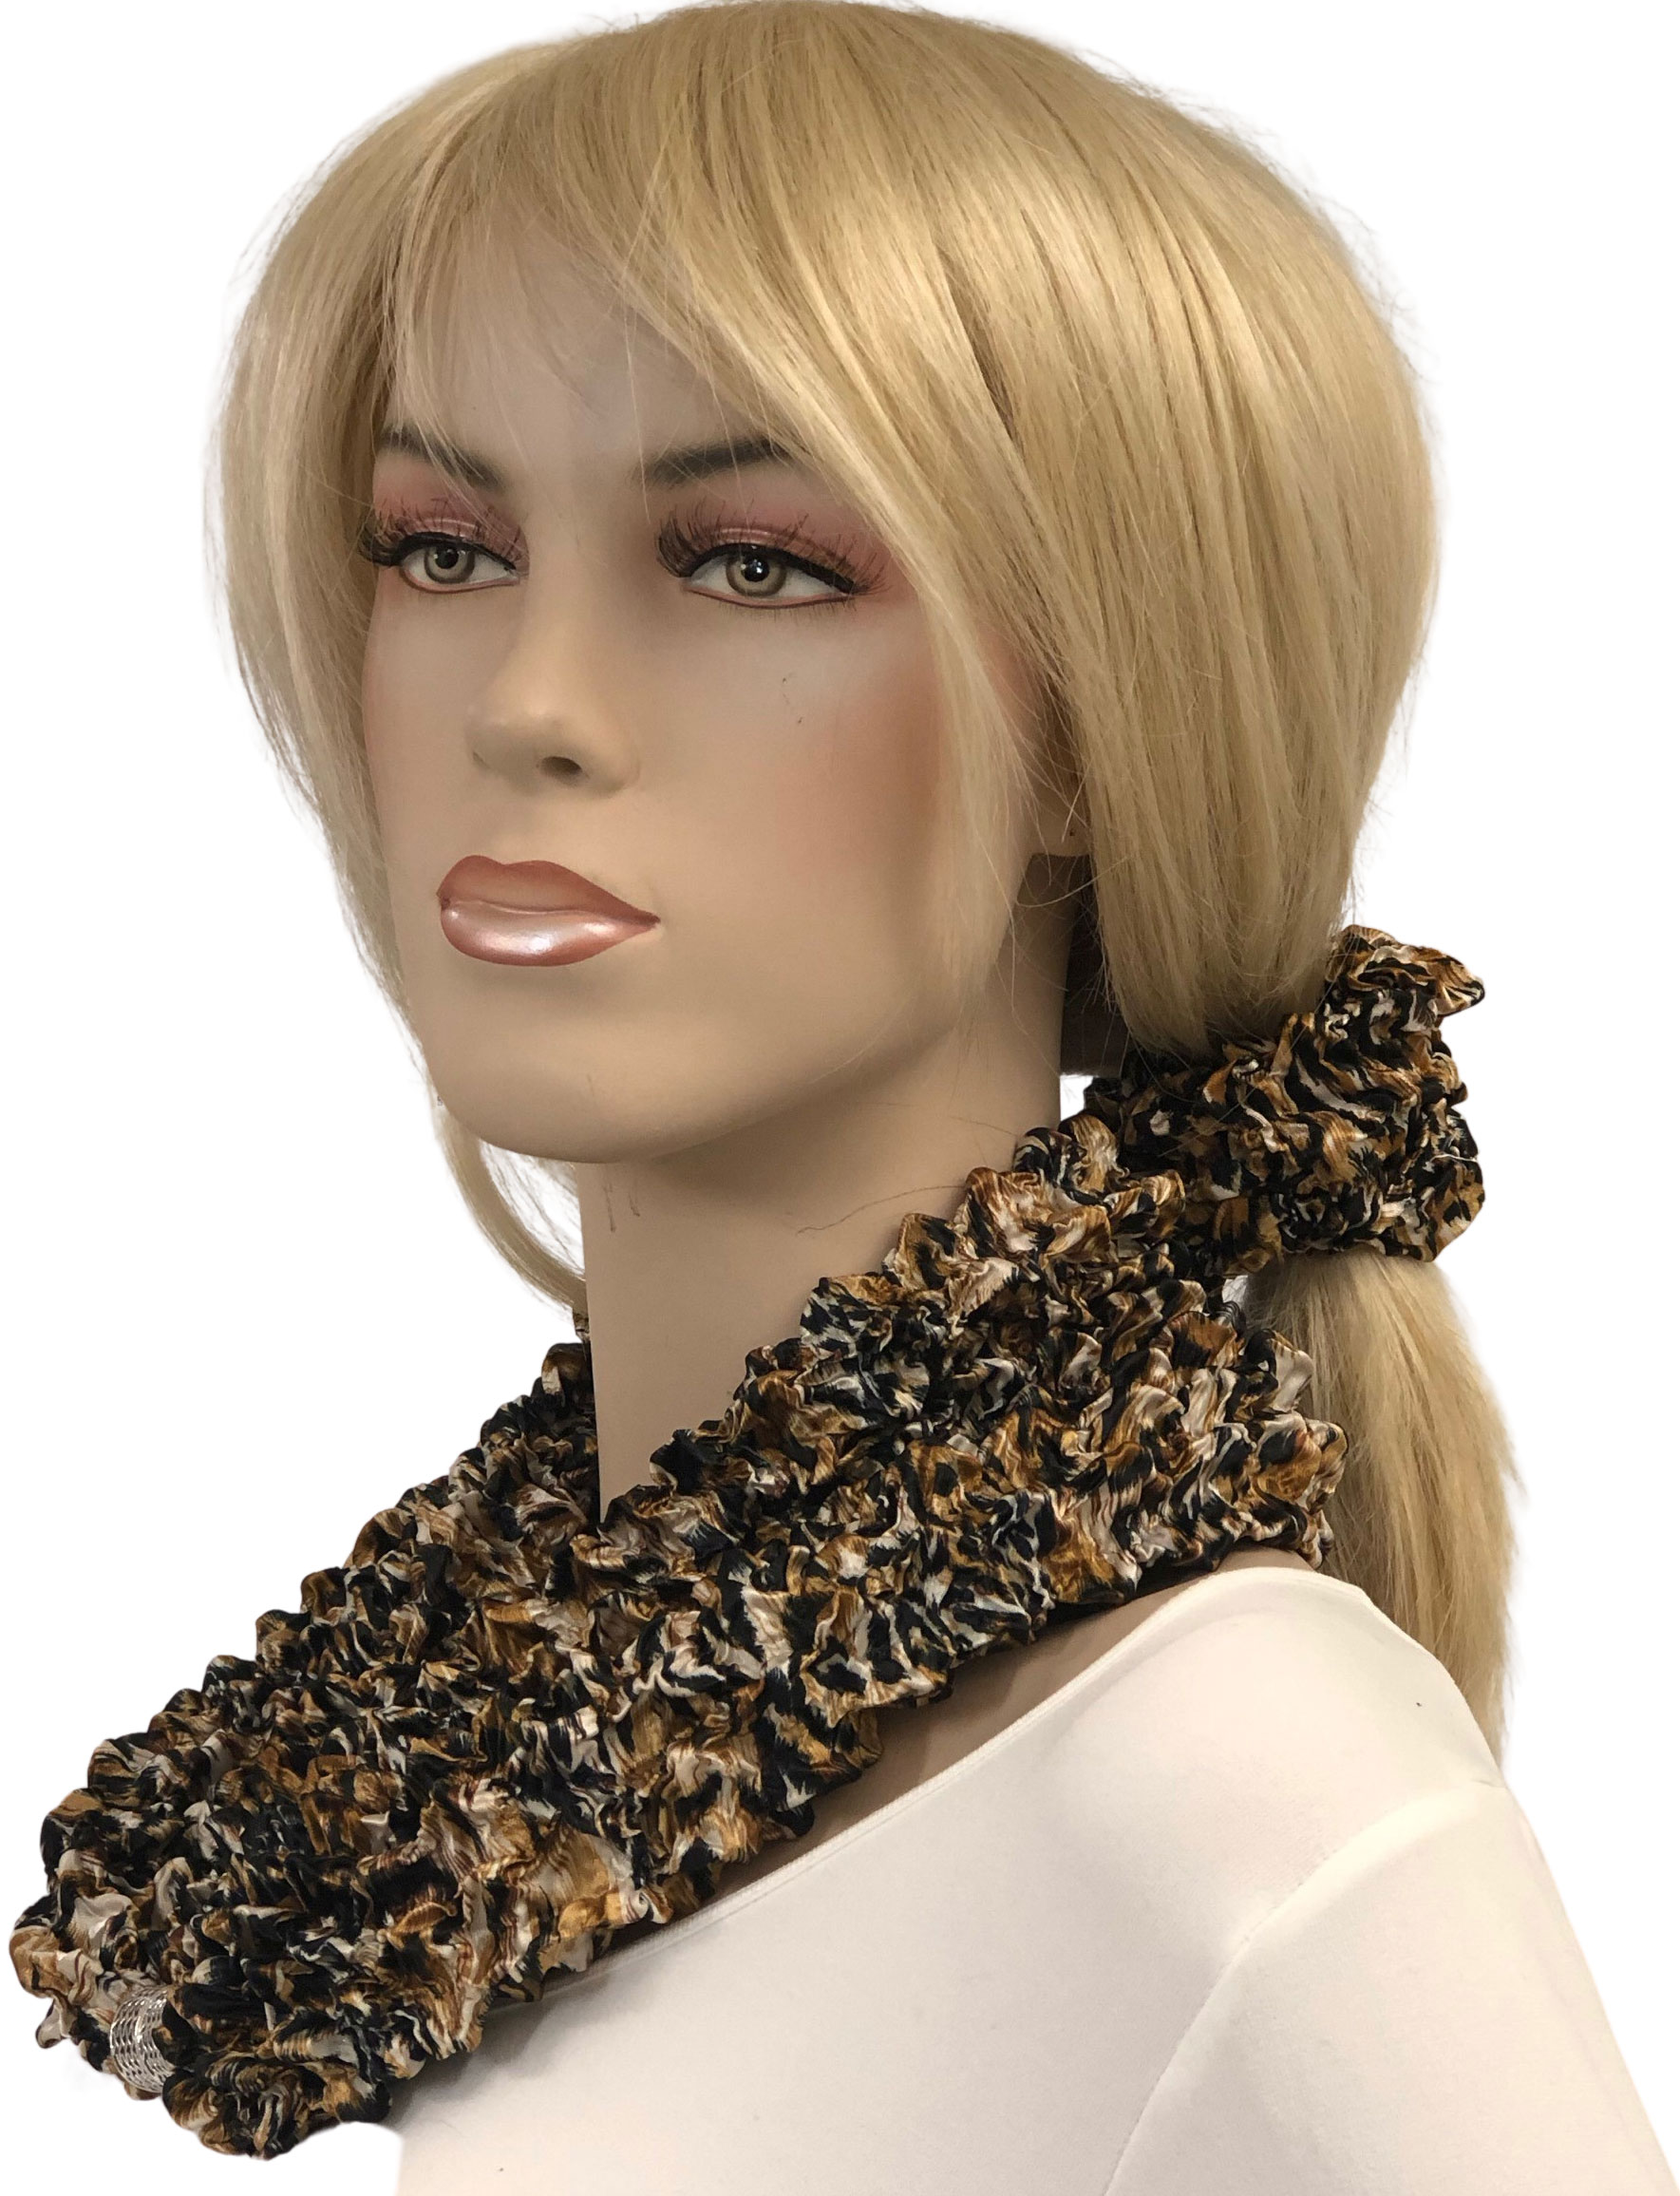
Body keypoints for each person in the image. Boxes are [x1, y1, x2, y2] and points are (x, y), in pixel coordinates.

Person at [12, 4, 1674, 2188]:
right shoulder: (489, 1808)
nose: (529, 701)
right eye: (443, 545)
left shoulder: (1238, 1800)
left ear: (1097, 726)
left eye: (753, 563)